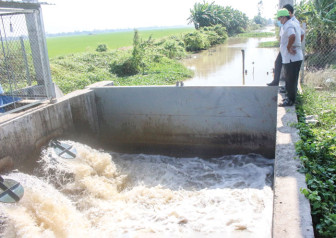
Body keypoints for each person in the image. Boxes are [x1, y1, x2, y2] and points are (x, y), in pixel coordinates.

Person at [267, 4, 305, 87]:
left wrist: (292, 45)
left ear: (289, 12)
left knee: (289, 73)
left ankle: (287, 90)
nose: (279, 19)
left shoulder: (293, 22)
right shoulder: (286, 21)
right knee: (278, 63)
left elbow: (299, 34)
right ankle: (276, 82)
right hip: (285, 49)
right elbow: (281, 26)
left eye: (280, 17)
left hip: (289, 50)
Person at [277, 8, 303, 106]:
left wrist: (289, 47)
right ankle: (289, 98)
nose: (279, 21)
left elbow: (292, 36)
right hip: (291, 58)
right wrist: (297, 45)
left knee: (291, 80)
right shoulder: (292, 24)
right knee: (290, 79)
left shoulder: (289, 25)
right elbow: (302, 33)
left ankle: (290, 100)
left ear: (284, 17)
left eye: (280, 19)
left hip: (292, 58)